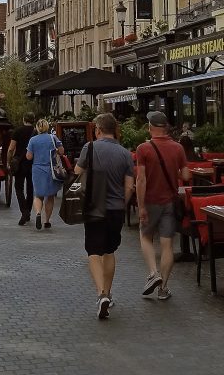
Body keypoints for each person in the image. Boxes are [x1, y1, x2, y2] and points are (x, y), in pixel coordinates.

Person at [75, 113, 135, 320]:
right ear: (115, 130)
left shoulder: (89, 148)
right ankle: (108, 292)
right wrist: (122, 203)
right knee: (109, 250)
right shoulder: (125, 154)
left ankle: (101, 294)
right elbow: (129, 186)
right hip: (115, 209)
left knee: (93, 251)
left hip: (94, 207)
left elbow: (77, 171)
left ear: (97, 130)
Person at [135, 111, 190, 301]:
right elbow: (186, 176)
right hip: (170, 202)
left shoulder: (143, 149)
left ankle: (153, 273)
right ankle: (164, 288)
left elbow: (141, 179)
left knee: (146, 236)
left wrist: (140, 206)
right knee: (167, 244)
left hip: (150, 201)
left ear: (150, 128)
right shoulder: (178, 148)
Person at [26, 119, 68, 231]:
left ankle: (38, 213)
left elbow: (29, 157)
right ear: (47, 127)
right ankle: (47, 221)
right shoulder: (53, 138)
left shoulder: (33, 140)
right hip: (51, 169)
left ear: (37, 128)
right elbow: (61, 151)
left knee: (38, 194)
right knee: (50, 196)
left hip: (37, 169)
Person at [8, 113, 36, 226]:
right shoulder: (36, 131)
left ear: (24, 119)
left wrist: (8, 161)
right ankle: (28, 211)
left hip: (20, 163)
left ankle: (24, 211)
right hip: (33, 163)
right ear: (33, 120)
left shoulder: (18, 131)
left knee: (19, 188)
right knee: (30, 188)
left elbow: (11, 148)